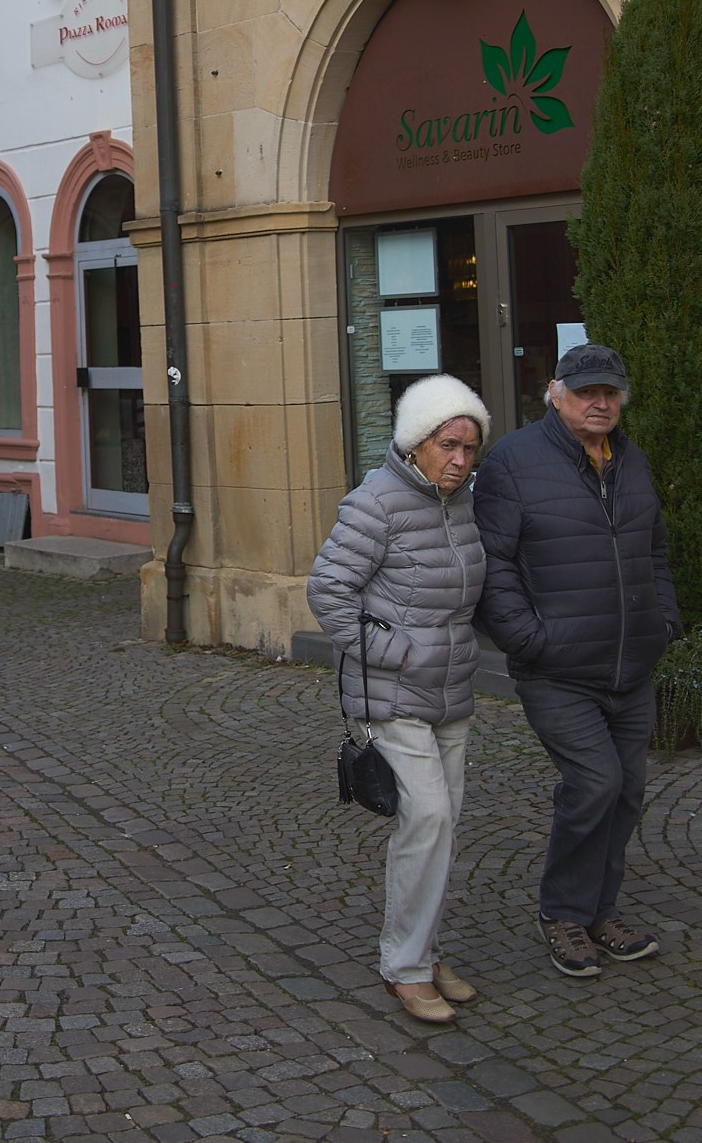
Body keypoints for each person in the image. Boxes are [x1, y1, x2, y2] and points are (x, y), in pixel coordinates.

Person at [473, 342, 682, 979]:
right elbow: (493, 565)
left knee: (626, 794)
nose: (600, 403)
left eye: (610, 393)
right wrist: (530, 640)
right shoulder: (514, 461)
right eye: (586, 392)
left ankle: (600, 911)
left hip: (630, 664)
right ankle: (563, 913)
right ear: (555, 394)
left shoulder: (631, 460)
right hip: (557, 669)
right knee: (595, 783)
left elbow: (655, 552)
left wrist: (663, 622)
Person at [306, 374, 492, 1025]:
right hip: (390, 694)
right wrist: (395, 652)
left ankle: (425, 950)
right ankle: (405, 968)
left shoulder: (463, 500)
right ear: (416, 443)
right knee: (430, 818)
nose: (460, 459)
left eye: (470, 447)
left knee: (442, 828)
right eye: (448, 444)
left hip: (451, 691)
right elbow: (328, 592)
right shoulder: (375, 503)